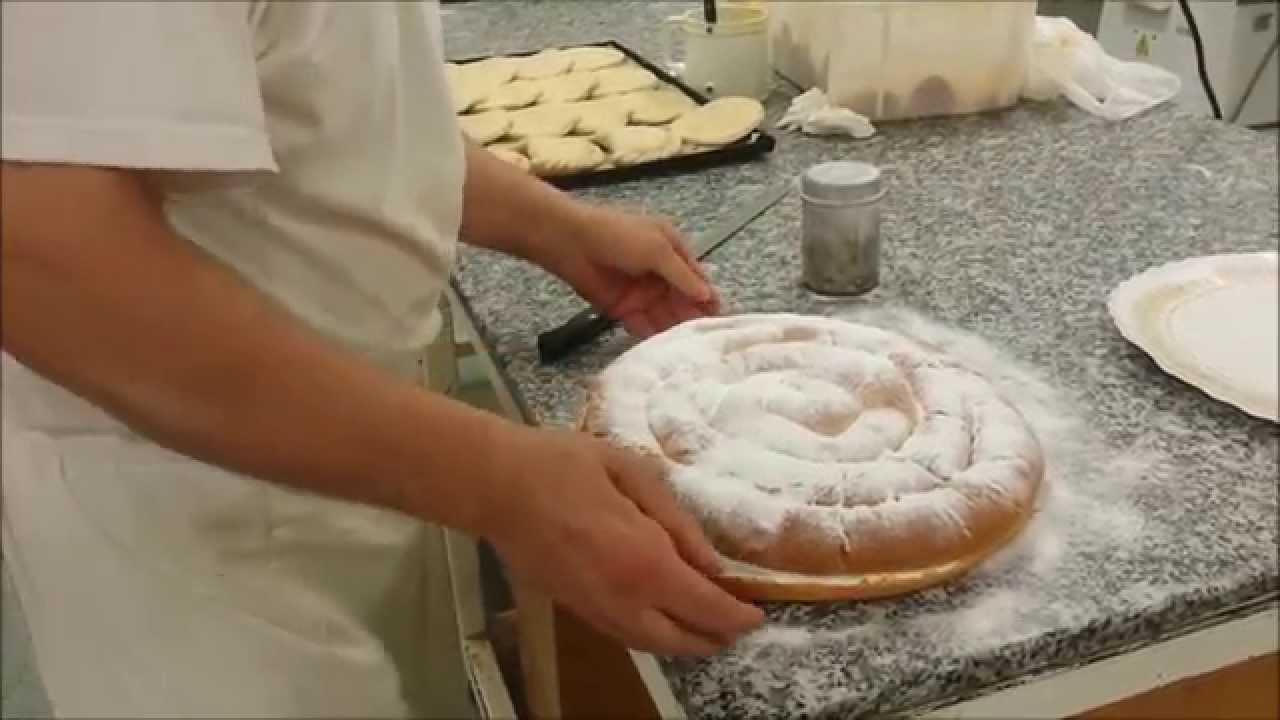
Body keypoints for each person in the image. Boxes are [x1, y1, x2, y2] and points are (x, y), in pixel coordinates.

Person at [0, 2, 764, 717]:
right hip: (190, 516)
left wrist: (559, 229)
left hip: (363, 448)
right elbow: (40, 255)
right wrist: (497, 478)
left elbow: (341, 112)